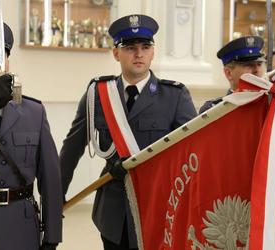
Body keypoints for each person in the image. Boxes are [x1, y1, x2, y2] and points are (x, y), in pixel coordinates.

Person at [60, 14, 197, 250]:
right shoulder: (98, 94)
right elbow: (71, 150)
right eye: (130, 48)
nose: (139, 54)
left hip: (160, 207)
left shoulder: (175, 96)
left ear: (153, 52)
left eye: (145, 47)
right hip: (114, 212)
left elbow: (192, 154)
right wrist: (55, 197)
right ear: (116, 53)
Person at [199, 36, 275, 246]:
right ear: (228, 73)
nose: (257, 70)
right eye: (247, 66)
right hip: (233, 215)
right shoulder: (213, 111)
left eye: (259, 64)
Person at [0, 22, 62, 250]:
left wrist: (52, 235)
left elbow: (50, 178)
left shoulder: (34, 112)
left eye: (1, 51)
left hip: (19, 227)